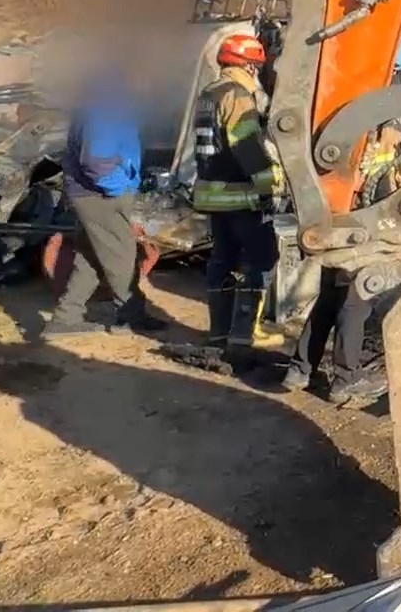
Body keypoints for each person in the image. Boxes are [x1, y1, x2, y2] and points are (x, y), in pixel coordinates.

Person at [281, 41, 401, 403]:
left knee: (329, 295)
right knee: (356, 300)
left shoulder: (351, 102)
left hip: (335, 212)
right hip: (364, 217)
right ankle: (346, 377)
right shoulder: (389, 111)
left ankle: (300, 369)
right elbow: (387, 169)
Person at [47, 61, 165, 338]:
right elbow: (96, 160)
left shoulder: (102, 99)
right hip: (98, 194)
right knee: (122, 255)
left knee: (91, 256)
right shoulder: (109, 104)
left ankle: (65, 318)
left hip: (88, 192)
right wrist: (117, 188)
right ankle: (130, 316)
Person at [192, 32, 287, 366]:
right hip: (239, 194)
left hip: (213, 194)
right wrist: (269, 184)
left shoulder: (209, 93)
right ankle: (246, 333)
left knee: (222, 259)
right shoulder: (237, 96)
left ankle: (219, 332)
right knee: (262, 257)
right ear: (249, 66)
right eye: (256, 67)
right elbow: (246, 145)